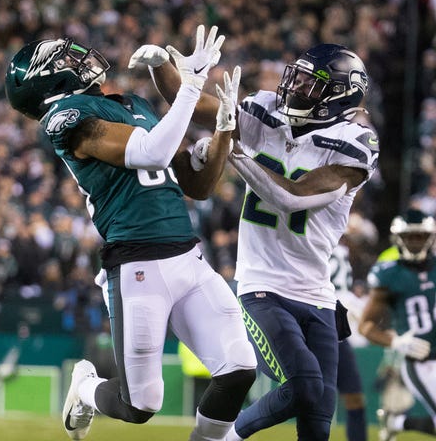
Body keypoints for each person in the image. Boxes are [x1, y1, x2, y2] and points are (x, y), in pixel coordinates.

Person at [5, 25, 257, 441]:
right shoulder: (65, 119)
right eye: (63, 62)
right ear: (47, 83)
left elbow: (197, 185)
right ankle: (86, 387)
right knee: (139, 405)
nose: (79, 60)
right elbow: (150, 151)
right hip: (137, 266)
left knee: (238, 370)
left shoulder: (135, 103)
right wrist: (190, 87)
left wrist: (223, 130)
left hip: (188, 257)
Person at [129, 42, 379, 440]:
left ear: (338, 96)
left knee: (318, 420)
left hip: (318, 294)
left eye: (311, 84)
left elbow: (291, 196)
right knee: (303, 386)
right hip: (263, 286)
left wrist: (233, 148)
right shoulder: (266, 111)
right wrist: (166, 68)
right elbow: (190, 103)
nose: (295, 87)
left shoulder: (354, 143)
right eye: (295, 76)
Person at [359, 209, 436, 440]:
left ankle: (396, 421)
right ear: (398, 239)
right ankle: (396, 421)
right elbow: (366, 326)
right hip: (419, 360)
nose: (415, 242)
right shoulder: (389, 274)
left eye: (420, 236)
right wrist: (396, 341)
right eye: (410, 236)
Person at [330, 242, 368, 441]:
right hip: (315, 321)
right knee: (312, 397)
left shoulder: (342, 250)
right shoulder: (312, 240)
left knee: (355, 397)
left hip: (337, 329)